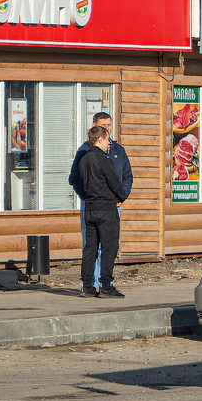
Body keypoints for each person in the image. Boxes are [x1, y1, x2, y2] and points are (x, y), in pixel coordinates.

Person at [70, 111, 132, 287]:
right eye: (103, 125)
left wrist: (122, 196)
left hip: (113, 205)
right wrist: (87, 195)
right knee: (92, 246)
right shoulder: (85, 151)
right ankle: (94, 283)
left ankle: (104, 281)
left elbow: (126, 176)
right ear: (95, 127)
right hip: (93, 204)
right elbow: (75, 179)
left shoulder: (118, 150)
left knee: (109, 246)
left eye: (109, 125)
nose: (107, 128)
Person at [76, 125, 126, 298]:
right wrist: (121, 195)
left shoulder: (83, 159)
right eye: (106, 140)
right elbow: (115, 182)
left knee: (90, 247)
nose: (107, 144)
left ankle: (87, 285)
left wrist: (86, 196)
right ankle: (106, 285)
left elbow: (74, 179)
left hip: (90, 208)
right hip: (106, 208)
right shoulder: (104, 160)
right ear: (100, 139)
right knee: (109, 247)